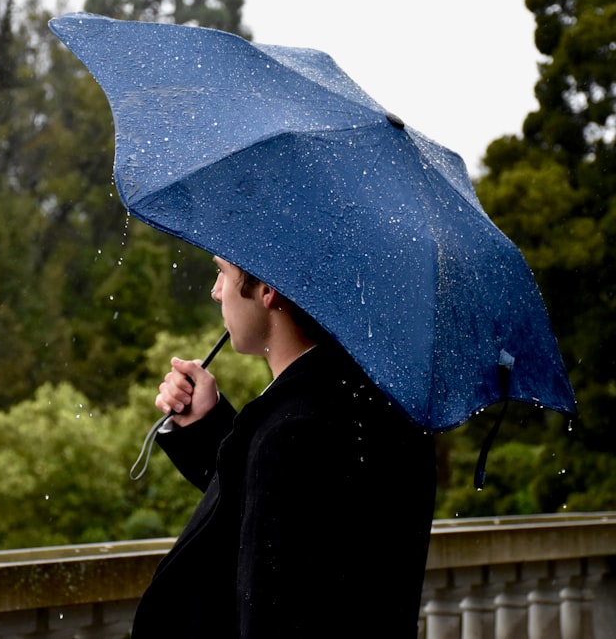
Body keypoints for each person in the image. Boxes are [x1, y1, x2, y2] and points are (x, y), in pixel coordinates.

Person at [130, 255, 438, 638]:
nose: (215, 291)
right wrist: (207, 426)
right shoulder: (369, 404)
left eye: (223, 273)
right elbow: (285, 522)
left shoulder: (296, 432)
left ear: (268, 290)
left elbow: (278, 611)